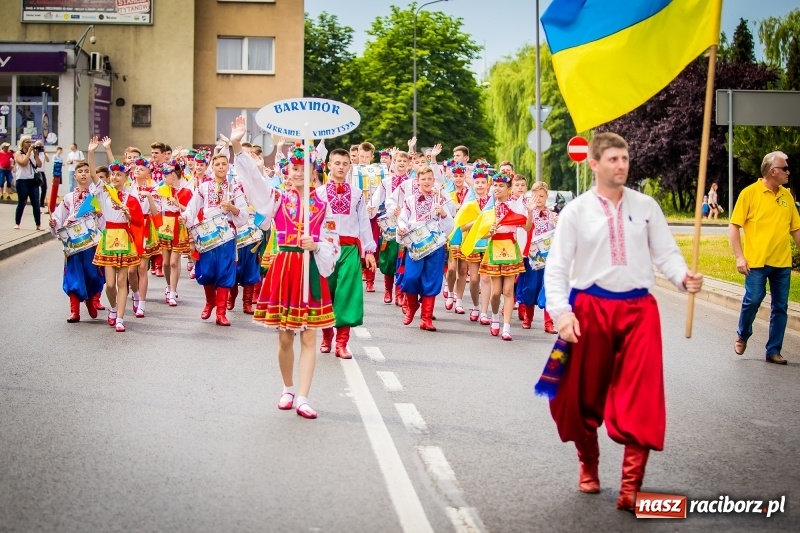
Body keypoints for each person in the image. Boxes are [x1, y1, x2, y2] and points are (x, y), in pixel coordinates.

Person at [542, 132, 703, 511]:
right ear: (594, 164)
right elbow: (558, 267)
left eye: (625, 158)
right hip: (588, 308)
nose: (621, 165)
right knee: (575, 396)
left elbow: (666, 255)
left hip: (638, 311)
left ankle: (631, 486)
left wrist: (683, 277)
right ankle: (589, 466)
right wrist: (561, 313)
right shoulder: (576, 211)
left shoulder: (646, 206)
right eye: (613, 159)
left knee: (643, 396)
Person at [232, 118, 338, 420]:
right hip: (285, 267)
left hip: (310, 270)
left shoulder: (323, 204)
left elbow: (333, 242)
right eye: (292, 169)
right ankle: (288, 387)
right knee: (285, 337)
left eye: (302, 170)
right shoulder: (277, 199)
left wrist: (316, 247)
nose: (296, 174)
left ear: (312, 174)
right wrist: (238, 144)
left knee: (308, 336)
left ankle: (304, 397)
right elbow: (253, 180)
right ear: (287, 172)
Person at [729, 151, 799, 365]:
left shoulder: (787, 196)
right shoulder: (749, 193)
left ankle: (773, 350)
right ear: (772, 171)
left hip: (782, 264)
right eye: (785, 168)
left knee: (781, 307)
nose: (788, 172)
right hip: (756, 263)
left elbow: (796, 229)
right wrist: (740, 258)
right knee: (753, 300)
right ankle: (743, 334)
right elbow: (733, 227)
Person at [316, 148, 377, 358]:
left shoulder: (358, 194)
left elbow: (364, 223)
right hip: (326, 249)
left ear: (349, 166)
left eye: (344, 163)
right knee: (327, 293)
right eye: (337, 163)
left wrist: (369, 250)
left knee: (348, 294)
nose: (341, 167)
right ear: (329, 166)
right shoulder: (319, 193)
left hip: (350, 248)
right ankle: (326, 336)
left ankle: (342, 343)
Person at [183, 145, 249, 326]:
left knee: (225, 271)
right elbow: (192, 207)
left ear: (228, 166)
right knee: (208, 270)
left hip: (226, 236)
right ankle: (209, 302)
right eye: (217, 164)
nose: (221, 167)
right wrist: (185, 218)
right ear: (212, 167)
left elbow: (243, 215)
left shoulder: (234, 189)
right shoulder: (204, 187)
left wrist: (232, 208)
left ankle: (221, 312)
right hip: (207, 235)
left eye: (224, 164)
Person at [89, 158, 144, 332]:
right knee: (110, 284)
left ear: (126, 178)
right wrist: (91, 153)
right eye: (113, 174)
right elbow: (93, 175)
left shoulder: (131, 198)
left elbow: (138, 222)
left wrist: (129, 216)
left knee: (122, 281)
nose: (115, 177)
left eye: (119, 174)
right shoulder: (104, 193)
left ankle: (120, 318)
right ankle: (112, 307)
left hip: (124, 239)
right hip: (108, 239)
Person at [397, 166, 453, 330]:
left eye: (429, 179)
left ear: (433, 180)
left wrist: (442, 212)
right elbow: (403, 219)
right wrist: (401, 227)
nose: (427, 182)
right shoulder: (409, 200)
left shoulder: (441, 200)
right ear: (418, 181)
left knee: (432, 279)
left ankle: (426, 318)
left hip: (434, 244)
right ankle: (413, 305)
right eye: (423, 179)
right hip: (416, 243)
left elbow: (449, 224)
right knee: (410, 277)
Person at [49, 161, 105, 322]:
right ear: (75, 175)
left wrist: (99, 216)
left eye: (87, 171)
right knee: (73, 275)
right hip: (73, 244)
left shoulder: (95, 196)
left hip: (91, 243)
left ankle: (90, 301)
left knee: (93, 275)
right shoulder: (67, 198)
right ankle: (75, 311)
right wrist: (54, 223)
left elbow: (102, 220)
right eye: (80, 171)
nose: (83, 174)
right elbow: (59, 217)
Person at [13, 135, 42, 230]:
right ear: (22, 143)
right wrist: (29, 152)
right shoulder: (18, 153)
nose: (29, 143)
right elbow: (23, 163)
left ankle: (38, 224)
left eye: (30, 142)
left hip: (33, 181)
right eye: (27, 142)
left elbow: (39, 165)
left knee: (36, 203)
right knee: (22, 202)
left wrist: (36, 155)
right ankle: (17, 223)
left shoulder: (32, 153)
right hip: (22, 181)